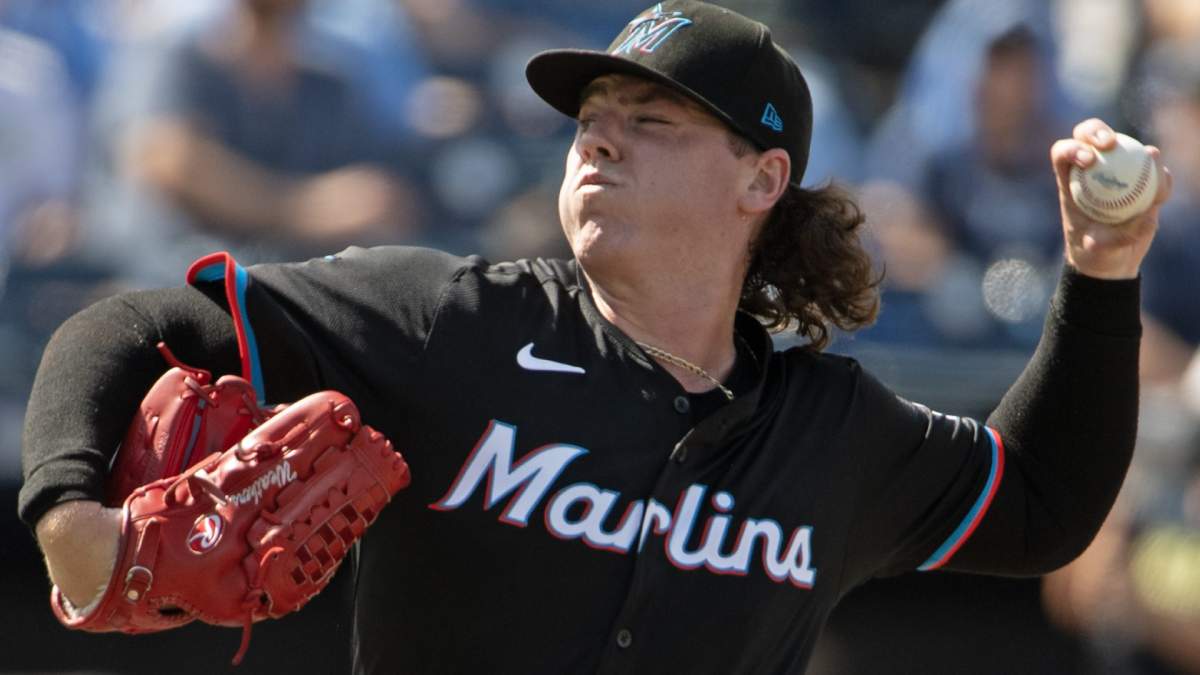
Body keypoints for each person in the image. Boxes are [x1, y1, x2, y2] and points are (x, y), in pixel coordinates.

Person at [19, 2, 1173, 673]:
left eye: (651, 120)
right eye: (591, 120)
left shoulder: (831, 433)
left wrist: (1101, 270)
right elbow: (137, 321)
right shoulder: (451, 319)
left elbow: (1041, 508)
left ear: (762, 178)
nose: (598, 141)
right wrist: (68, 509)